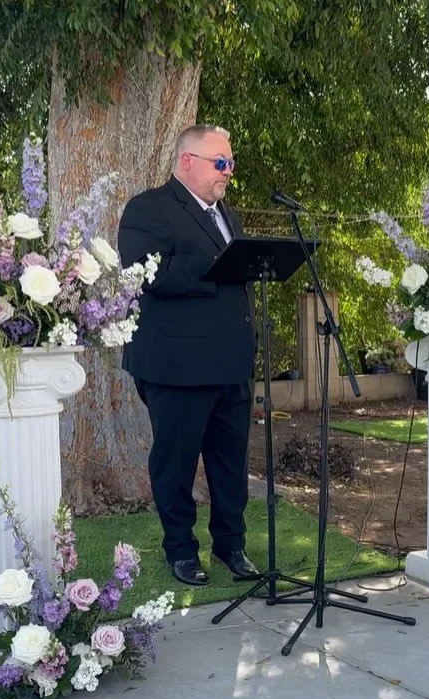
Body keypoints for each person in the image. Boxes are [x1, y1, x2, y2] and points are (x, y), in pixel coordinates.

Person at [118, 124, 258, 587]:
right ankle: (180, 549)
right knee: (175, 464)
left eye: (231, 163)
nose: (228, 172)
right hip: (177, 368)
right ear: (187, 162)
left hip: (230, 364)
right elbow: (146, 273)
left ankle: (230, 545)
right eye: (221, 162)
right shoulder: (148, 209)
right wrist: (223, 268)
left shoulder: (226, 215)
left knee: (229, 463)